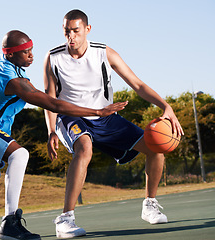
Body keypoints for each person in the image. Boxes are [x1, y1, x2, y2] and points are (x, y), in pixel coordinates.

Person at [0, 30, 128, 240]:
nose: (31, 55)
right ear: (9, 54)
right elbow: (52, 103)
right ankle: (10, 223)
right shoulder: (11, 79)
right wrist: (97, 112)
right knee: (20, 154)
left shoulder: (5, 65)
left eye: (31, 50)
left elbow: (40, 96)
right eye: (24, 52)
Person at [43, 9, 184, 239]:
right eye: (67, 31)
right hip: (72, 118)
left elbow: (137, 84)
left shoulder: (104, 53)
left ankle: (150, 204)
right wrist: (51, 131)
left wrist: (165, 106)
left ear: (87, 29)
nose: (71, 36)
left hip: (106, 117)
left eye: (76, 31)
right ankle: (65, 219)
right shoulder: (53, 57)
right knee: (84, 148)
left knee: (156, 147)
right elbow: (49, 98)